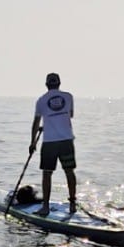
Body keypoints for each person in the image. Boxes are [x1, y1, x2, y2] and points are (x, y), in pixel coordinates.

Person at [30, 73, 76, 217]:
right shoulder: (68, 97)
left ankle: (45, 207)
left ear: (46, 84)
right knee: (69, 171)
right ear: (59, 83)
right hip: (66, 140)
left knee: (47, 173)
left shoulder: (41, 100)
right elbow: (70, 115)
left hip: (50, 142)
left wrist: (32, 143)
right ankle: (72, 204)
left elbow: (36, 123)